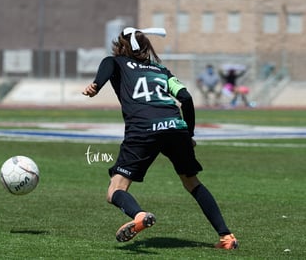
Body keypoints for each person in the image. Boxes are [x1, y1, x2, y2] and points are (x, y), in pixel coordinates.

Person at [82, 27, 238, 249]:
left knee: (115, 190)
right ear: (146, 47)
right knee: (192, 182)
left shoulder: (117, 62)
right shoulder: (161, 70)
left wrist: (96, 85)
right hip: (175, 126)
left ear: (121, 46)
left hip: (143, 129)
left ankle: (139, 215)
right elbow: (186, 98)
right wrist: (189, 134)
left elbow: (108, 65)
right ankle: (226, 237)